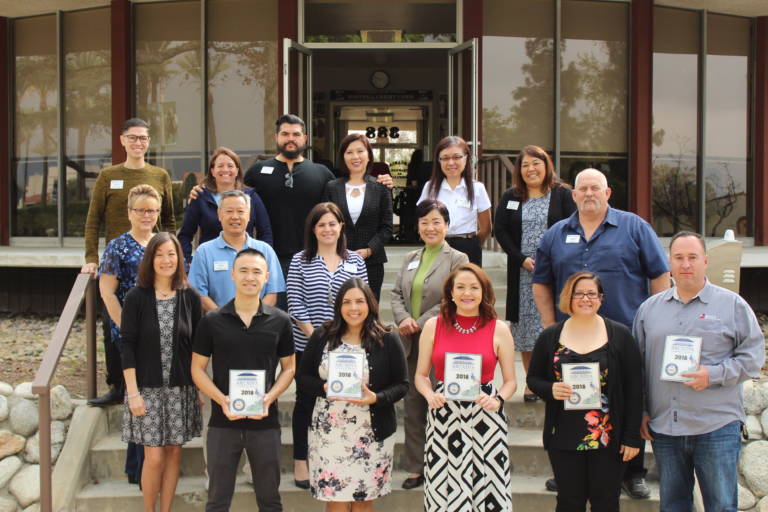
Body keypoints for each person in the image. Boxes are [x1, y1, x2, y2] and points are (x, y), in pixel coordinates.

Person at [531, 167, 670, 498]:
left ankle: (632, 471)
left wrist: (655, 321)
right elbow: (540, 283)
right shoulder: (555, 234)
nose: (589, 194)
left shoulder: (635, 228)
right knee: (573, 403)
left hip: (624, 338)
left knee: (627, 399)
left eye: (596, 188)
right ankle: (571, 469)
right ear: (574, 195)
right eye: (583, 189)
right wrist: (552, 328)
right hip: (573, 339)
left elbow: (660, 276)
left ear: (608, 193)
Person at [633, 231, 765, 511]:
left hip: (715, 427)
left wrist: (713, 375)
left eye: (692, 257)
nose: (686, 265)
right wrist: (642, 410)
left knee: (721, 506)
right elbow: (638, 367)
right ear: (669, 262)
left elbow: (752, 358)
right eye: (679, 258)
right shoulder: (649, 310)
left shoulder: (732, 305)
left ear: (705, 261)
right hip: (666, 428)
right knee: (674, 506)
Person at [240, 114, 392, 310]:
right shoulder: (258, 171)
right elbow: (233, 195)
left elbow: (335, 212)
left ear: (305, 138)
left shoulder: (322, 174)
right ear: (276, 137)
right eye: (285, 134)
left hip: (312, 259)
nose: (290, 139)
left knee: (316, 314)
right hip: (270, 258)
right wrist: (201, 190)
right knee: (273, 318)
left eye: (296, 134)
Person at [527, 271, 643, 511]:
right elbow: (534, 379)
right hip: (563, 436)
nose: (585, 299)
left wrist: (633, 437)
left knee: (606, 502)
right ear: (568, 297)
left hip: (609, 437)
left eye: (592, 293)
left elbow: (634, 389)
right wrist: (551, 389)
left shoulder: (620, 335)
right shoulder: (550, 336)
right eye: (578, 293)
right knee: (569, 501)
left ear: (601, 298)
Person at [191, 248, 296, 512]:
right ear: (233, 275)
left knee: (270, 500)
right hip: (222, 423)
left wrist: (270, 397)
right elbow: (197, 369)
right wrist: (221, 399)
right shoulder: (212, 321)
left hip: (265, 422)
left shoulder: (280, 321)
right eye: (244, 271)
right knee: (217, 501)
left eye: (257, 272)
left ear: (266, 277)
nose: (250, 277)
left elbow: (289, 368)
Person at [81, 117, 175, 408]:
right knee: (115, 325)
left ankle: (154, 383)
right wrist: (91, 258)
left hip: (153, 257)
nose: (138, 143)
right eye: (133, 137)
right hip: (118, 260)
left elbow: (169, 218)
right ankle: (116, 386)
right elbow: (93, 219)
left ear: (149, 142)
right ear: (122, 140)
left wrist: (171, 252)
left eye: (143, 138)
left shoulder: (160, 175)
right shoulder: (109, 175)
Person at [297, 278, 409, 509]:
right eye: (347, 302)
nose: (353, 308)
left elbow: (402, 384)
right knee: (336, 502)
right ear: (339, 306)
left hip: (371, 435)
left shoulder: (388, 337)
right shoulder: (322, 335)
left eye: (359, 301)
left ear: (370, 304)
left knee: (362, 504)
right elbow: (303, 377)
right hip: (329, 436)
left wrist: (377, 398)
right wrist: (323, 388)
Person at [414, 263, 516, 511]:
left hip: (486, 417)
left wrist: (498, 399)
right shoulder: (433, 326)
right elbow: (420, 375)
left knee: (487, 488)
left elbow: (511, 381)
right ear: (450, 292)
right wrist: (429, 394)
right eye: (460, 287)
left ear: (484, 292)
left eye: (474, 287)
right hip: (444, 416)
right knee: (444, 489)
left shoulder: (499, 328)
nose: (467, 293)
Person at [286, 202, 369, 488]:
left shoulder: (355, 262)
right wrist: (317, 339)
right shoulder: (300, 260)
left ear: (341, 226)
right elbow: (295, 303)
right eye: (321, 224)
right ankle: (300, 461)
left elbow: (363, 302)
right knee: (306, 401)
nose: (327, 229)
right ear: (313, 229)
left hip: (347, 346)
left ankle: (337, 455)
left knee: (342, 402)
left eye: (332, 223)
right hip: (308, 344)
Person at [120, 232, 203, 512]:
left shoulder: (189, 296)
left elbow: (196, 347)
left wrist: (199, 385)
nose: (166, 260)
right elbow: (127, 345)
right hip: (145, 389)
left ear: (180, 259)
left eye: (172, 254)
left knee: (174, 453)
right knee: (153, 457)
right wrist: (132, 393)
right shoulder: (136, 296)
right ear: (150, 258)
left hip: (181, 388)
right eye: (159, 254)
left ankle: (165, 509)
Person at [390, 199, 468, 490]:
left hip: (442, 343)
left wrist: (420, 321)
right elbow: (396, 293)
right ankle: (415, 467)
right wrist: (403, 320)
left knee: (443, 406)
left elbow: (456, 298)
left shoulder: (458, 259)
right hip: (410, 344)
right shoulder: (411, 256)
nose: (430, 227)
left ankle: (445, 464)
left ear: (447, 225)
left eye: (436, 221)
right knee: (412, 407)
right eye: (424, 222)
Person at [494, 145, 576, 402]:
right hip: (523, 273)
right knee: (527, 331)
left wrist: (555, 260)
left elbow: (573, 227)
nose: (530, 169)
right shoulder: (511, 196)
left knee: (553, 326)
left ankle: (556, 379)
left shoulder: (562, 194)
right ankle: (533, 383)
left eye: (535, 163)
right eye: (525, 165)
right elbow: (501, 231)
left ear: (546, 165)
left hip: (556, 272)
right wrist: (521, 260)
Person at [98, 184, 162, 483]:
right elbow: (107, 291)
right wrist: (126, 328)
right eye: (140, 210)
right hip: (129, 332)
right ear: (129, 213)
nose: (146, 215)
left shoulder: (162, 244)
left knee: (155, 401)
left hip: (160, 331)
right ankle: (136, 468)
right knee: (136, 399)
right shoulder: (117, 246)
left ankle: (148, 465)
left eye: (151, 210)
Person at [188, 190, 284, 312]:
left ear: (249, 215)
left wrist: (253, 319)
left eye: (240, 211)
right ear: (219, 214)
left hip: (258, 326)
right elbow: (199, 294)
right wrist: (224, 320)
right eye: (229, 211)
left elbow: (272, 293)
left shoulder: (265, 251)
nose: (235, 216)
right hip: (218, 326)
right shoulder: (204, 252)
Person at [323, 134, 393, 301]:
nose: (355, 156)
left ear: (368, 155)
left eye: (360, 151)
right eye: (349, 152)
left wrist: (369, 250)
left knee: (369, 308)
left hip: (372, 262)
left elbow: (387, 228)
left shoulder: (381, 187)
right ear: (343, 157)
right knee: (340, 307)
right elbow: (325, 224)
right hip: (338, 259)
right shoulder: (332, 187)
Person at [178, 146, 272, 268]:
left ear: (237, 170)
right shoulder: (200, 197)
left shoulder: (251, 197)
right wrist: (187, 263)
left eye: (230, 166)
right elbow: (185, 234)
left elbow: (265, 232)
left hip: (246, 264)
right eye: (220, 166)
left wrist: (262, 260)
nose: (225, 170)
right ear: (212, 171)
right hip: (210, 265)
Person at [417, 136, 491, 266]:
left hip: (468, 247)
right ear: (438, 161)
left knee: (465, 285)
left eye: (456, 157)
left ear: (466, 158)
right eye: (445, 158)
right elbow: (421, 219)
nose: (451, 163)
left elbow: (486, 227)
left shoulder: (477, 188)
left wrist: (471, 242)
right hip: (437, 244)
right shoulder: (430, 187)